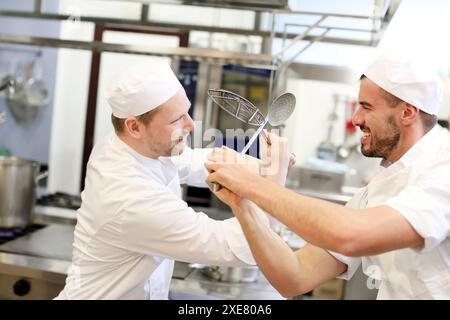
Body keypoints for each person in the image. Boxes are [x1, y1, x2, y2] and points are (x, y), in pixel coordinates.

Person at [206, 54, 450, 299]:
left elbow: (352, 235)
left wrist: (252, 184)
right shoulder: (376, 190)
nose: (356, 119)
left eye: (366, 107)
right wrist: (242, 204)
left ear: (407, 113)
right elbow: (295, 277)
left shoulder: (443, 170)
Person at [56, 60, 277, 300]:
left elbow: (192, 161)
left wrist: (261, 167)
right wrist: (274, 184)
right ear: (134, 127)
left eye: (187, 112)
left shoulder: (130, 146)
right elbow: (239, 246)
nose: (191, 125)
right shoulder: (130, 198)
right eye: (176, 119)